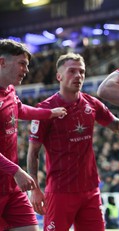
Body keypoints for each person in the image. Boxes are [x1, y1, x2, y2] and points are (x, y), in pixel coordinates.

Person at [27, 53, 119, 231]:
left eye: (81, 71)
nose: (78, 76)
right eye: (72, 71)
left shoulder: (92, 103)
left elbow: (117, 126)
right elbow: (33, 151)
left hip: (90, 190)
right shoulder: (44, 109)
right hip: (60, 192)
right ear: (59, 76)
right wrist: (34, 189)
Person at [0, 39, 67, 231]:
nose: (26, 70)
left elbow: (20, 110)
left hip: (11, 186)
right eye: (22, 64)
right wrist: (16, 171)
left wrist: (49, 113)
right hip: (13, 175)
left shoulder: (10, 91)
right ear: (2, 62)